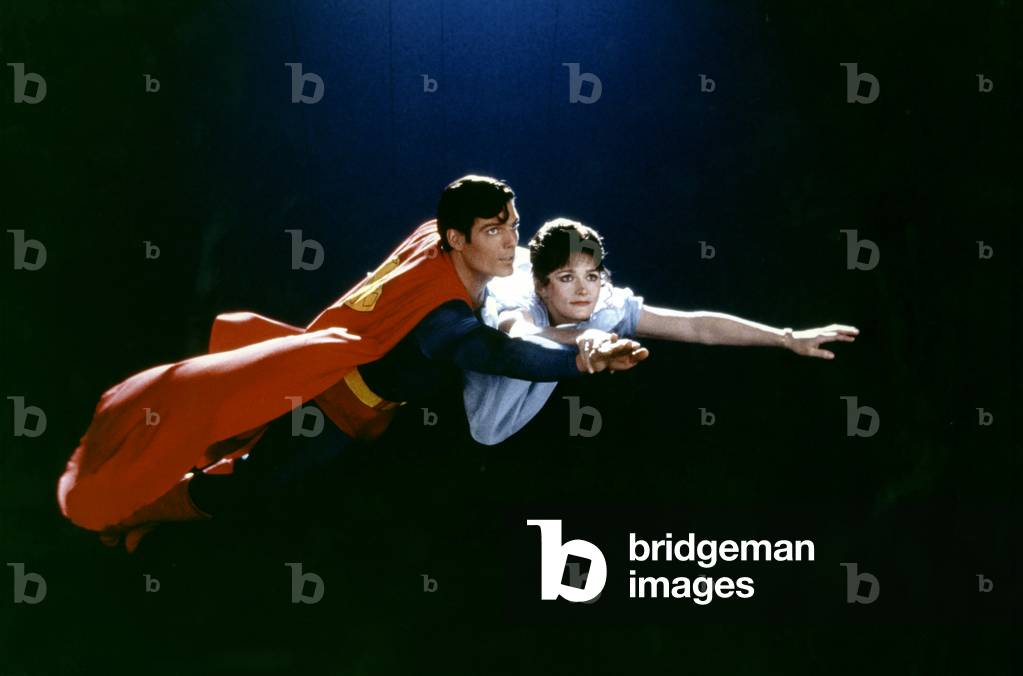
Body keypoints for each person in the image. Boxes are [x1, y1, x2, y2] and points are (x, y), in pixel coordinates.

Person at [58, 178, 645, 552]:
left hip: (345, 386)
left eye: (513, 223)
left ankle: (150, 512)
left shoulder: (431, 241)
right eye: (495, 230)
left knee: (258, 475)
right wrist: (582, 363)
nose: (509, 242)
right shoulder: (445, 323)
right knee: (253, 485)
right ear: (458, 239)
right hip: (333, 405)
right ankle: (128, 512)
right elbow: (505, 354)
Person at [464, 218, 859, 445]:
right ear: (543, 285)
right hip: (475, 392)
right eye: (567, 278)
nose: (584, 289)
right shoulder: (516, 291)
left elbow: (696, 326)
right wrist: (581, 339)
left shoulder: (605, 304)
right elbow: (518, 336)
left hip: (516, 414)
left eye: (592, 276)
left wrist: (787, 338)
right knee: (496, 406)